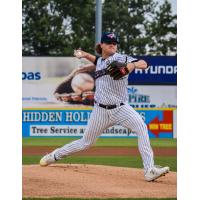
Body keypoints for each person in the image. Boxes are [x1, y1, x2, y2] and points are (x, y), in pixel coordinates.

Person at [40, 32, 169, 181]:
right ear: (102, 45)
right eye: (109, 42)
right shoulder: (100, 61)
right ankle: (54, 156)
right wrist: (83, 54)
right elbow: (95, 59)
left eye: (115, 42)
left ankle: (149, 170)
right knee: (85, 142)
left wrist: (131, 66)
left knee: (141, 127)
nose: (113, 44)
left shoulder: (120, 58)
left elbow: (144, 63)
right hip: (100, 111)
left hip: (121, 108)